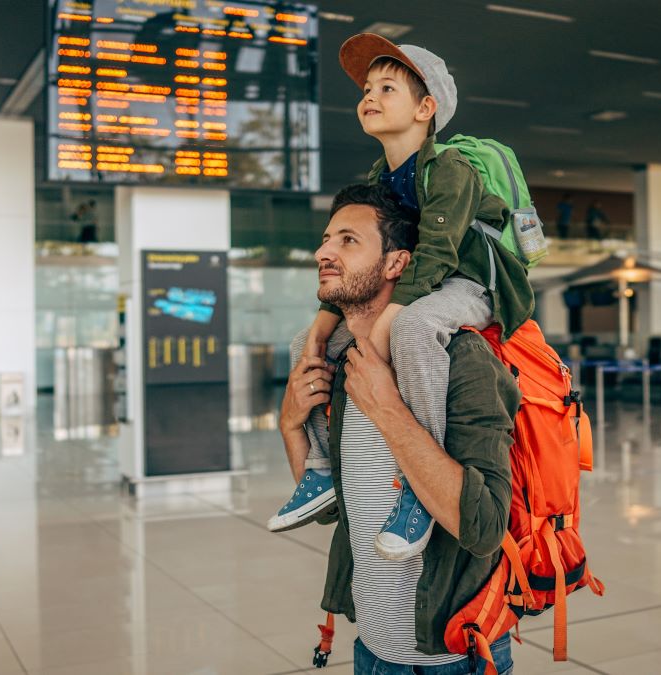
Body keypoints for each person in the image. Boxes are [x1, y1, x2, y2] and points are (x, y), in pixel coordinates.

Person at [267, 34, 534, 562]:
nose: (369, 95)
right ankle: (320, 471)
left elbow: (432, 256)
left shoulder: (450, 170)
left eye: (387, 87)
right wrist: (320, 332)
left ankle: (418, 482)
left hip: (472, 284)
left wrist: (384, 323)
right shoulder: (380, 178)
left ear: (426, 108)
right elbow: (381, 260)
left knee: (412, 328)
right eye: (367, 88)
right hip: (424, 287)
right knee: (306, 337)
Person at [279, 184, 517, 674]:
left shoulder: (461, 360)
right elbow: (336, 512)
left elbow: (485, 526)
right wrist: (290, 426)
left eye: (348, 241)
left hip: (453, 657)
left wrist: (387, 407)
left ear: (396, 264)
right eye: (327, 239)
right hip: (370, 646)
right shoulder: (338, 359)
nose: (323, 252)